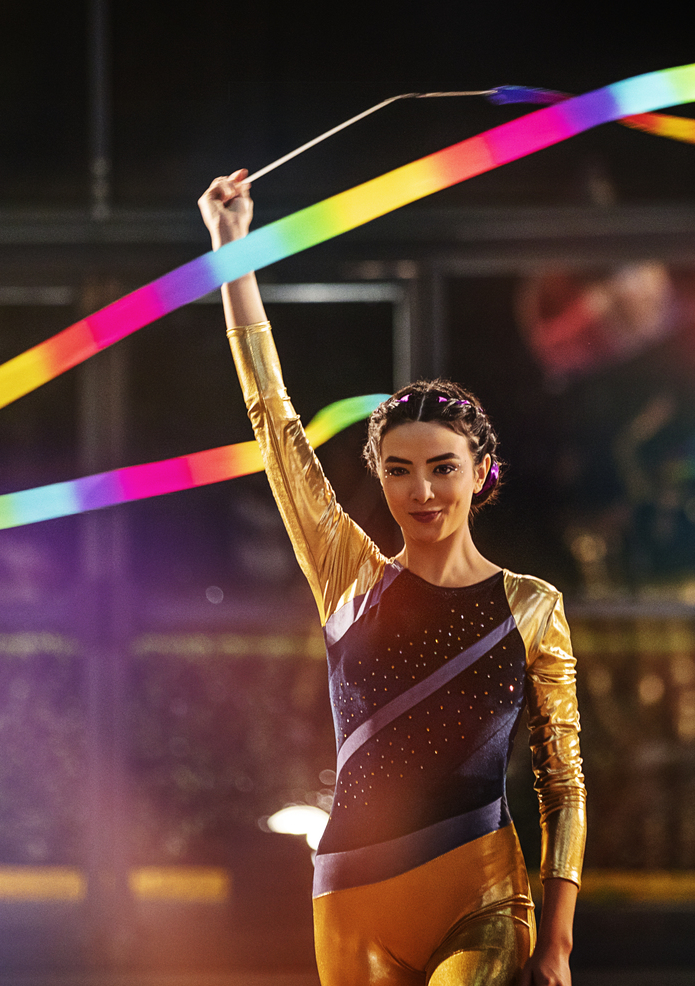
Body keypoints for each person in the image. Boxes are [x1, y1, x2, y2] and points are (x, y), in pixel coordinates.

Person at [198, 170, 585, 986]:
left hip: (482, 889)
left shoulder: (531, 606)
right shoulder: (347, 576)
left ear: (482, 473)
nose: (423, 491)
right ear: (378, 476)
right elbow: (272, 417)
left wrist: (558, 940)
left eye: (444, 468)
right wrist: (232, 250)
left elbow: (563, 780)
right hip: (350, 895)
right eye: (401, 471)